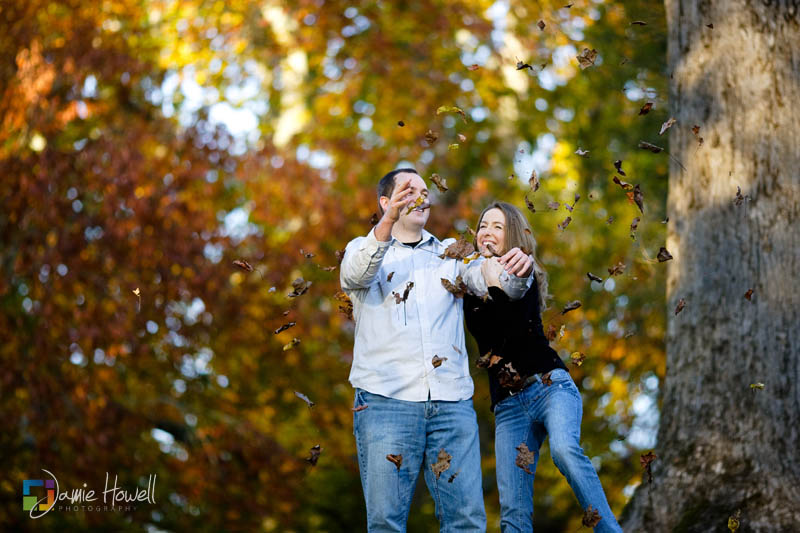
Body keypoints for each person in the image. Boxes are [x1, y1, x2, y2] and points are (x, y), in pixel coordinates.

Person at [340, 169, 533, 532]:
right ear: (386, 202)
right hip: (385, 402)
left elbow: (492, 279)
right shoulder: (362, 250)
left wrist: (518, 271)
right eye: (407, 190)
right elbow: (355, 276)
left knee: (467, 522)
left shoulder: (450, 254)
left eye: (424, 190)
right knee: (385, 523)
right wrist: (388, 222)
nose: (419, 196)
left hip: (451, 404)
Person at [463, 201, 623, 533]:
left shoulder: (523, 272)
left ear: (514, 236)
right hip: (508, 406)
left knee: (564, 450)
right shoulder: (467, 284)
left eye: (497, 226)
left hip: (549, 386)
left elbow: (510, 310)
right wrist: (480, 274)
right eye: (482, 226)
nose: (487, 232)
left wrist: (496, 275)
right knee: (513, 510)